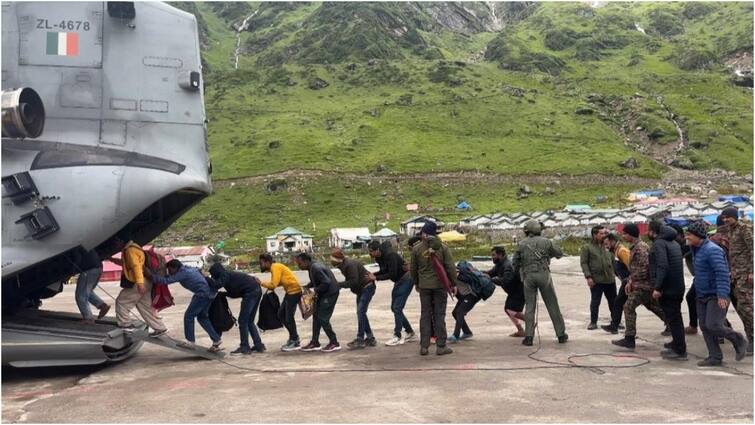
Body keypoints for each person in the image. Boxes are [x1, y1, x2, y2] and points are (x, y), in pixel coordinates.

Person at [686, 220, 747, 366]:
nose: (687, 237)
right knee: (705, 326)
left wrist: (722, 295)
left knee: (713, 325)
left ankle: (738, 339)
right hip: (702, 295)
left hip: (715, 294)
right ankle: (715, 356)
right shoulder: (696, 249)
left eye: (689, 235)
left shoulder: (712, 250)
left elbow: (722, 273)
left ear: (698, 236)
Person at [512, 220, 568, 346]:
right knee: (552, 304)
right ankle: (561, 334)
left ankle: (529, 337)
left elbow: (515, 263)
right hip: (544, 274)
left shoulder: (521, 244)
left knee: (530, 307)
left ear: (527, 231)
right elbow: (559, 253)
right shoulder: (546, 242)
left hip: (528, 276)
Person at [612, 223, 666, 350]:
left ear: (630, 234)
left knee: (628, 306)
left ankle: (629, 338)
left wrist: (632, 281)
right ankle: (671, 323)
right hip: (641, 284)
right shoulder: (636, 247)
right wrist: (631, 280)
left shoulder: (640, 249)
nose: (623, 236)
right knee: (652, 305)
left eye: (625, 233)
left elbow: (644, 269)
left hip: (643, 285)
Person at [149, 259, 222, 352]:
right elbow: (171, 276)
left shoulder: (182, 273)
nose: (169, 272)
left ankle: (190, 342)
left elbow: (165, 281)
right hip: (209, 294)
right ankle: (216, 340)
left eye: (170, 270)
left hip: (202, 294)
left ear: (175, 268)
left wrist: (150, 276)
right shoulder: (188, 268)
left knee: (189, 316)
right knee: (202, 317)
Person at [411, 221, 456, 356]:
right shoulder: (443, 248)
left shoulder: (417, 249)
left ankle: (424, 347)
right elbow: (450, 268)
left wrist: (417, 283)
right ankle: (441, 346)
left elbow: (413, 269)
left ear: (423, 233)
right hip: (439, 286)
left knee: (425, 315)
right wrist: (453, 283)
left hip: (424, 287)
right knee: (439, 315)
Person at [112, 236, 168, 337]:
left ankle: (125, 325)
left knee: (121, 302)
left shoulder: (130, 251)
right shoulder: (136, 248)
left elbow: (136, 266)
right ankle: (160, 328)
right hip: (147, 281)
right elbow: (126, 264)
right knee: (145, 306)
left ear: (121, 241)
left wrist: (140, 284)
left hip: (138, 282)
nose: (115, 245)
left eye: (116, 242)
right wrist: (112, 260)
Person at [648, 221, 687, 360]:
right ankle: (677, 343)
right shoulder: (674, 243)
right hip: (677, 287)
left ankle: (680, 351)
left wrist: (657, 287)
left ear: (653, 231)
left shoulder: (659, 244)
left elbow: (662, 266)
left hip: (668, 289)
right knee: (676, 317)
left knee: (674, 319)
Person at [209, 262, 265, 355]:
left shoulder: (224, 275)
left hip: (250, 293)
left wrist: (206, 279)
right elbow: (235, 292)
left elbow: (217, 284)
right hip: (256, 290)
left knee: (243, 321)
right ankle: (258, 345)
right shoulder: (228, 275)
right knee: (249, 321)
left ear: (216, 273)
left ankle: (244, 347)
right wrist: (224, 294)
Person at [368, 240, 416, 346]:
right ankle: (410, 332)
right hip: (398, 281)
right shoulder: (378, 258)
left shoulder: (391, 255)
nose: (370, 253)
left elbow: (392, 274)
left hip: (406, 279)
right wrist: (373, 274)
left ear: (377, 250)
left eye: (371, 251)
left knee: (397, 307)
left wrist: (376, 277)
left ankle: (397, 336)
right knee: (394, 308)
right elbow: (384, 271)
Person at [721, 207, 753, 355]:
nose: (726, 220)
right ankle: (750, 338)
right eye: (724, 217)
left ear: (735, 217)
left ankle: (752, 340)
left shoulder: (744, 229)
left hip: (746, 274)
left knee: (746, 308)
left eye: (728, 217)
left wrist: (752, 271)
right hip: (736, 274)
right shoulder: (731, 230)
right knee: (741, 307)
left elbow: (753, 249)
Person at [330, 248, 376, 350]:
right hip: (362, 289)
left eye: (333, 260)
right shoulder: (343, 265)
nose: (331, 262)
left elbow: (353, 282)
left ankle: (360, 340)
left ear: (338, 259)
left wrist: (338, 284)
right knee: (361, 313)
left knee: (360, 312)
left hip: (367, 288)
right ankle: (370, 338)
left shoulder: (349, 265)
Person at [296, 253, 341, 353]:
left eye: (300, 263)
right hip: (324, 293)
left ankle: (334, 342)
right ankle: (315, 342)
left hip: (330, 293)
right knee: (316, 316)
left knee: (322, 318)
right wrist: (307, 286)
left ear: (306, 261)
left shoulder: (315, 268)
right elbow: (316, 281)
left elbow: (326, 282)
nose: (299, 266)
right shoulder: (311, 267)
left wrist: (315, 290)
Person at [259, 253, 303, 352]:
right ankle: (293, 337)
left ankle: (295, 340)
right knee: (281, 315)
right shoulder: (275, 268)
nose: (260, 265)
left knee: (288, 317)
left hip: (294, 292)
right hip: (290, 292)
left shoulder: (275, 267)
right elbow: (278, 282)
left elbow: (273, 284)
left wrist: (260, 283)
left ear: (267, 262)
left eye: (261, 263)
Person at [580, 225, 616, 330]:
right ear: (595, 235)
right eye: (601, 233)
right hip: (596, 280)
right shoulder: (587, 247)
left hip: (609, 279)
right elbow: (584, 263)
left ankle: (616, 321)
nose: (605, 235)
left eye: (605, 233)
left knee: (613, 302)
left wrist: (617, 273)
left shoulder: (608, 246)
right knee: (595, 301)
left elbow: (613, 261)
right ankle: (593, 322)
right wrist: (588, 277)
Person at [487, 246, 525, 337]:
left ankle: (530, 321)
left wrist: (493, 280)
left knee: (511, 309)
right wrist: (478, 273)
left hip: (519, 291)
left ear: (500, 255)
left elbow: (506, 280)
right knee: (508, 310)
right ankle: (521, 330)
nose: (492, 257)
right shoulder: (500, 264)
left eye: (493, 255)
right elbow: (490, 273)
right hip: (514, 291)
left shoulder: (507, 265)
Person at [601, 232, 630, 334]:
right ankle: (614, 326)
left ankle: (668, 323)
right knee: (618, 302)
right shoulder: (616, 251)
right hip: (626, 282)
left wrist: (630, 281)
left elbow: (632, 267)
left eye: (607, 243)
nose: (606, 246)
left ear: (612, 241)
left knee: (649, 304)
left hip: (631, 282)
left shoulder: (622, 251)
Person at [74, 248, 110, 324]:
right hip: (98, 267)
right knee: (87, 291)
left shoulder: (74, 247)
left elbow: (76, 259)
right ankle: (102, 305)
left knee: (81, 295)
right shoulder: (85, 244)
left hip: (89, 269)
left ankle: (88, 318)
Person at [449, 264, 480, 344]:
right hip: (464, 296)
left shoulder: (455, 272)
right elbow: (456, 291)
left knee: (459, 311)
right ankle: (467, 332)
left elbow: (465, 280)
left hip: (472, 295)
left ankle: (456, 335)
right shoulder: (447, 274)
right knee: (455, 313)